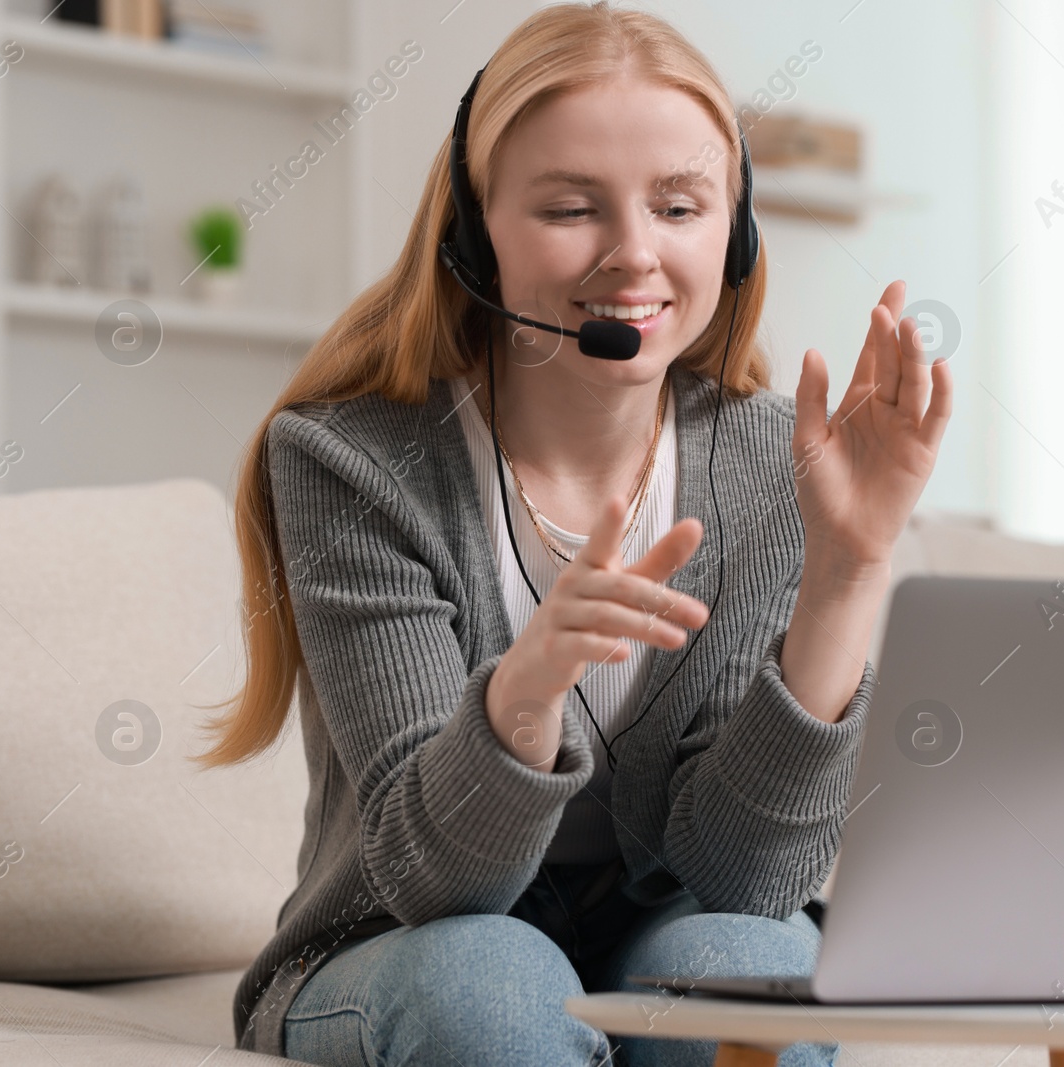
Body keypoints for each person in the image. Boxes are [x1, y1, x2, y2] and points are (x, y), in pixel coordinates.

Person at [192, 3, 950, 1064]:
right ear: (472, 233)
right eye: (569, 208)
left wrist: (848, 569)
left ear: (733, 234)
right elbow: (435, 883)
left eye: (680, 206)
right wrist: (527, 686)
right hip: (413, 938)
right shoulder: (350, 462)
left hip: (665, 931)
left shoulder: (777, 460)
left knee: (747, 976)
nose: (634, 256)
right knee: (492, 985)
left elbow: (746, 878)